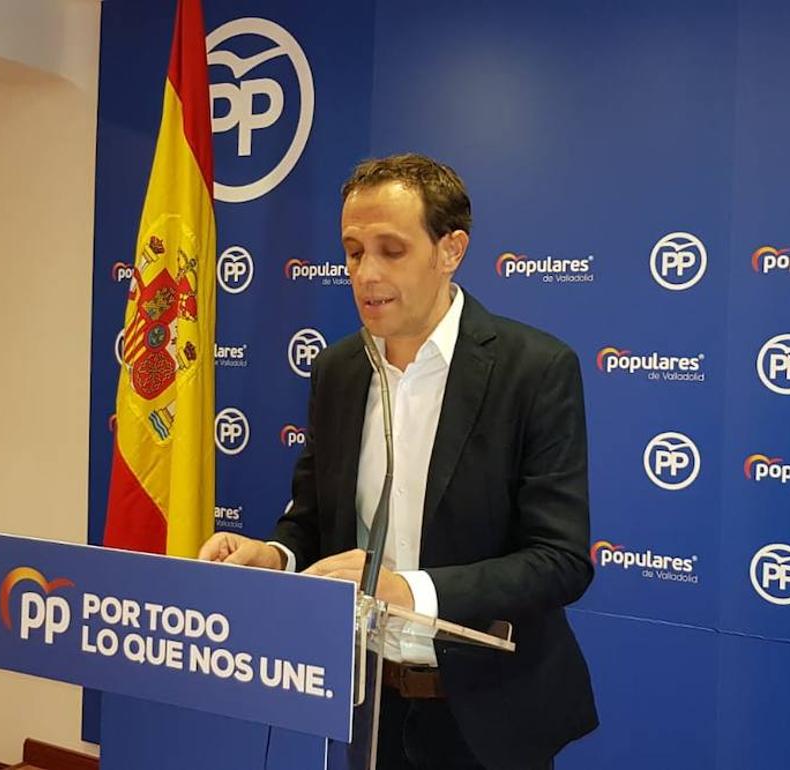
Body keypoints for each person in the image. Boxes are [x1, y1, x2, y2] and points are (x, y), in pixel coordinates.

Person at [198, 154, 597, 770]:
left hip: (485, 717)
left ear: (450, 250)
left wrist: (405, 590)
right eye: (354, 251)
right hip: (358, 703)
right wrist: (272, 555)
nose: (365, 274)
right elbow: (311, 519)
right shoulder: (338, 370)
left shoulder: (535, 370)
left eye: (391, 249)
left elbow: (560, 562)